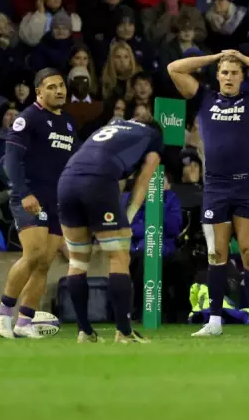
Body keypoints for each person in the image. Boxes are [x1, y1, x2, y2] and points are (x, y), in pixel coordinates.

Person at [167, 49, 249, 337]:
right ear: (218, 76)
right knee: (216, 253)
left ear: (242, 76)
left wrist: (244, 59)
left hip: (245, 185)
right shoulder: (205, 98)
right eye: (225, 72)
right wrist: (215, 58)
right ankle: (215, 321)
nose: (229, 77)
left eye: (235, 73)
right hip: (216, 186)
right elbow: (174, 68)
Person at [57, 116, 163, 343]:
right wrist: (129, 217)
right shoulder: (152, 136)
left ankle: (84, 332)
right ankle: (124, 332)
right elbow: (144, 180)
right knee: (118, 255)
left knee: (77, 262)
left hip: (67, 181)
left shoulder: (111, 125)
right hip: (98, 181)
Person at [0, 68, 77, 339]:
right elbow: (12, 161)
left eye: (61, 85)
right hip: (31, 196)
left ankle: (25, 321)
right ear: (39, 92)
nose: (59, 90)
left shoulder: (67, 122)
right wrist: (24, 192)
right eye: (51, 87)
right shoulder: (27, 119)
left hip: (57, 200)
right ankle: (4, 312)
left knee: (45, 262)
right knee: (33, 254)